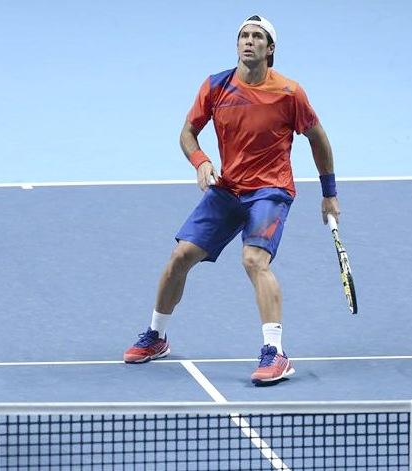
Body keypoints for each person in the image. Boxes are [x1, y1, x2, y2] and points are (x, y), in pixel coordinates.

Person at [123, 15, 340, 385]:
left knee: (254, 260)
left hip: (270, 190)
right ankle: (157, 336)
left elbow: (318, 139)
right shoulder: (216, 86)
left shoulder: (290, 93)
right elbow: (188, 132)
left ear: (270, 49)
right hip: (228, 189)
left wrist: (329, 194)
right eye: (243, 35)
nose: (248, 41)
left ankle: (275, 353)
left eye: (257, 36)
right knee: (180, 257)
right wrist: (201, 161)